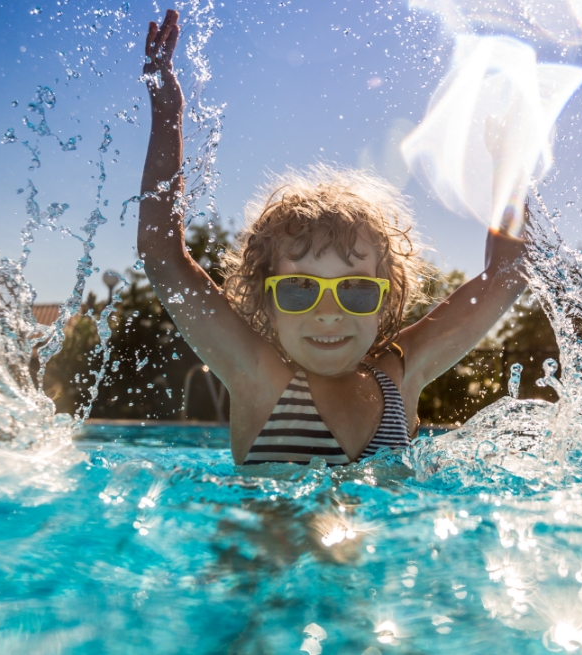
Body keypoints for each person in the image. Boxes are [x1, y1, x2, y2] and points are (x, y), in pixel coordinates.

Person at [137, 9, 528, 466]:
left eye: (356, 291)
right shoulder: (257, 374)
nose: (328, 314)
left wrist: (509, 166)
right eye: (300, 288)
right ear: (267, 300)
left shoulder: (401, 374)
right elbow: (162, 255)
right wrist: (167, 113)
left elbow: (509, 275)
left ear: (386, 299)